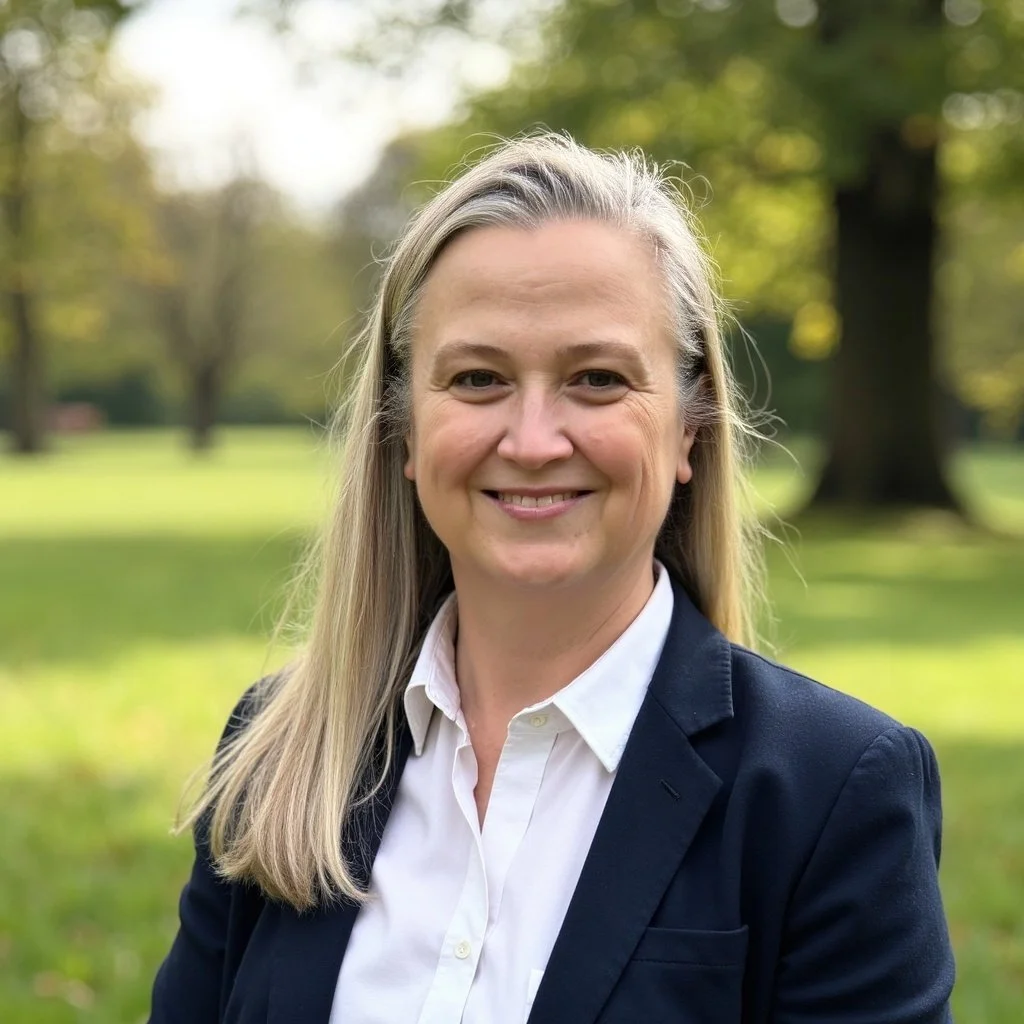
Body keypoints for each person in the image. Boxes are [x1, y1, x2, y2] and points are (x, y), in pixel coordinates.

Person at [149, 133, 955, 1023]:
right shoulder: (283, 751)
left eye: (598, 379)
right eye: (478, 377)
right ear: (405, 431)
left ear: (689, 427)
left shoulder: (829, 791)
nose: (533, 442)